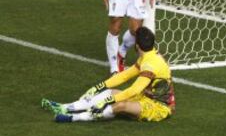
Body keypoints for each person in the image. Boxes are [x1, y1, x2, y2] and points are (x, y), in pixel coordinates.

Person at [41, 27, 175, 123]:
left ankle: (76, 117)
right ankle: (65, 107)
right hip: (144, 98)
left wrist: (105, 102)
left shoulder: (150, 65)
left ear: (137, 45)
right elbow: (124, 76)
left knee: (121, 105)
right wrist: (98, 87)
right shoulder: (148, 56)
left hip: (159, 107)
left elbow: (134, 90)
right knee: (110, 92)